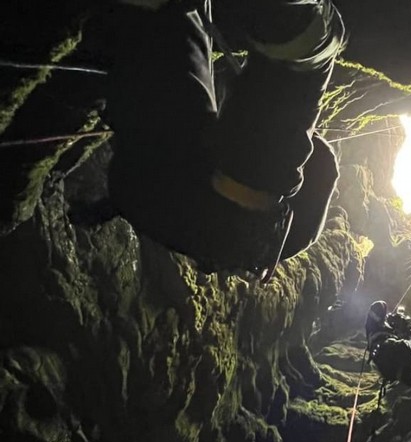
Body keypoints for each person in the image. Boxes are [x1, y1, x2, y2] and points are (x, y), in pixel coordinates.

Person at [93, 0, 345, 277]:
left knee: (312, 43)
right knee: (169, 32)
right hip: (162, 176)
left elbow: (325, 167)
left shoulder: (298, 238)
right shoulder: (163, 223)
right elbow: (125, 171)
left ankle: (281, 17)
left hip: (247, 179)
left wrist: (303, 134)